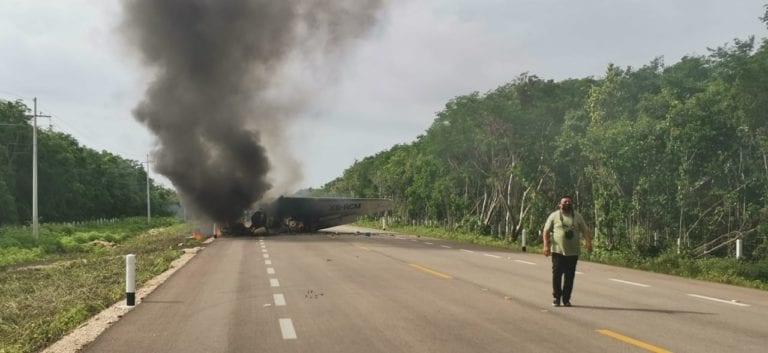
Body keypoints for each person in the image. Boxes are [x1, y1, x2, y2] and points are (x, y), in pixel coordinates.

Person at [542, 195, 592, 307]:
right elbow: (546, 231)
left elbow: (586, 230)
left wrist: (589, 243)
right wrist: (546, 246)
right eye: (564, 202)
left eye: (569, 202)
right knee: (557, 275)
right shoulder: (554, 216)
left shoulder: (577, 216)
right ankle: (557, 297)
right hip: (557, 251)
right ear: (560, 205)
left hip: (573, 252)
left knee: (570, 276)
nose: (567, 204)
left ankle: (566, 299)